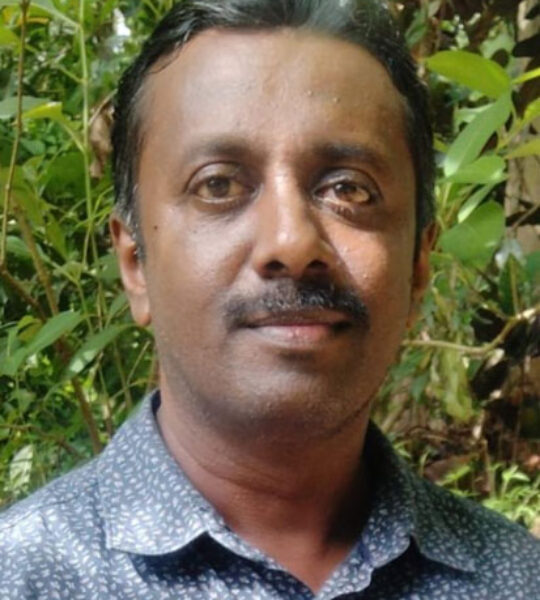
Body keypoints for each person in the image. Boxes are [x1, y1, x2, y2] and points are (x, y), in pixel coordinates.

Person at [1, 0, 538, 598]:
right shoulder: (26, 575)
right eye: (218, 184)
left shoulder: (516, 578)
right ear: (135, 266)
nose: (291, 242)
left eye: (349, 189)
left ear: (417, 267)